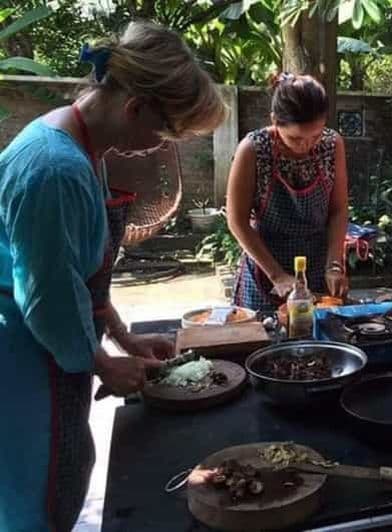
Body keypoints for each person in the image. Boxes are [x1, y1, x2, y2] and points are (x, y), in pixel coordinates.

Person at [0, 20, 226, 530]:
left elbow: (81, 271)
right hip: (23, 357)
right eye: (167, 131)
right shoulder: (52, 167)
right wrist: (101, 363)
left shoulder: (84, 147)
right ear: (136, 108)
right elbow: (47, 296)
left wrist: (124, 337)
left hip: (52, 345)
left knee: (64, 474)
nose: (161, 144)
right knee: (34, 494)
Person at [228, 73, 349, 311]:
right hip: (266, 267)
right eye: (295, 137)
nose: (306, 145)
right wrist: (278, 276)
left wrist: (334, 265)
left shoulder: (332, 144)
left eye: (314, 136)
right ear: (274, 120)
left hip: (317, 265)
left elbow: (338, 209)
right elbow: (237, 221)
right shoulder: (253, 149)